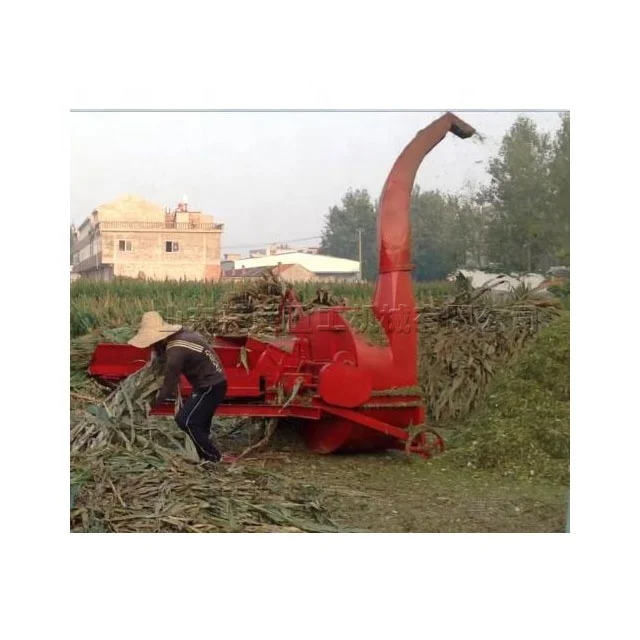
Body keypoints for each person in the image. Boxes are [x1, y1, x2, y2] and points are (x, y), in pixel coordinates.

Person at [128, 311, 232, 463]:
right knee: (199, 424)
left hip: (211, 386)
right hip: (212, 382)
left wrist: (153, 402)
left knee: (186, 421)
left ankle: (214, 458)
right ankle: (201, 454)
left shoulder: (176, 352)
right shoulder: (181, 335)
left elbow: (169, 384)